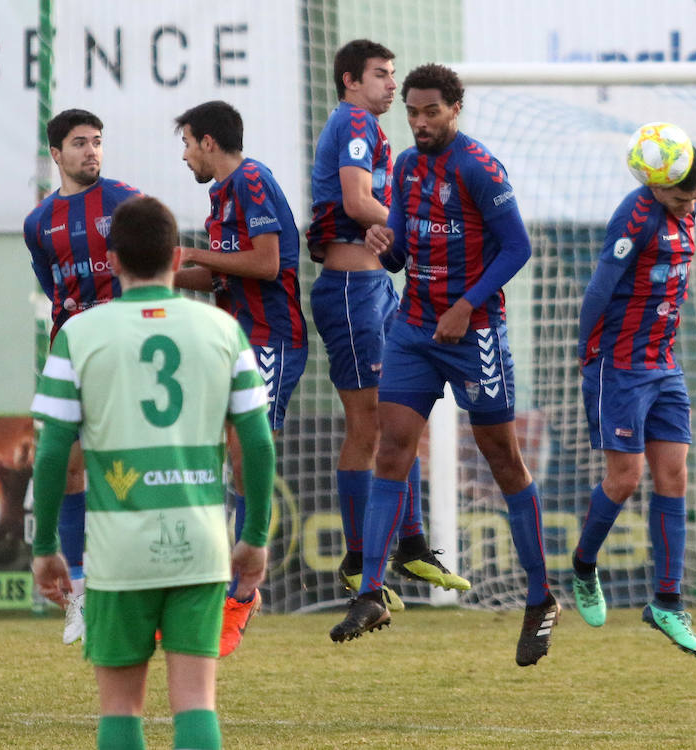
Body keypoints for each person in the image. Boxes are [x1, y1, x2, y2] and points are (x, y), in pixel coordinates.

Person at [30, 195, 274, 750]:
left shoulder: (80, 334)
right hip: (200, 544)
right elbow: (256, 443)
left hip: (118, 551)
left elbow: (51, 453)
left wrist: (46, 545)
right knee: (195, 703)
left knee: (120, 709)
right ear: (177, 256)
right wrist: (254, 536)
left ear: (111, 259)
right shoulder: (222, 329)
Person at [331, 63, 553, 667]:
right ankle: (372, 591)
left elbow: (518, 247)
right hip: (413, 330)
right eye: (413, 112)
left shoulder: (479, 168)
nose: (421, 122)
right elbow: (402, 250)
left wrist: (466, 305)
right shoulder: (405, 166)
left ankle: (540, 597)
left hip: (472, 331)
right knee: (392, 448)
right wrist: (387, 246)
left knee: (503, 458)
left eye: (432, 111)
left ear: (455, 108)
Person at [306, 39, 443, 610]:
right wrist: (418, 229)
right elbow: (359, 201)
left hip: (374, 288)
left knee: (398, 415)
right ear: (350, 80)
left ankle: (406, 541)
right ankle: (361, 558)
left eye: (392, 75)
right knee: (369, 427)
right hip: (350, 291)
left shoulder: (367, 125)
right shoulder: (355, 121)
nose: (392, 84)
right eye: (381, 75)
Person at [172, 100, 308, 656]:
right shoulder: (219, 195)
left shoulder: (252, 180)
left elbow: (267, 263)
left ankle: (243, 593)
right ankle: (220, 586)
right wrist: (161, 274)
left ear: (207, 142)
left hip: (272, 339)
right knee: (222, 454)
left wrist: (190, 252)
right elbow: (221, 276)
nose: (184, 156)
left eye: (186, 144)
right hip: (236, 341)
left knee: (244, 449)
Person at [568, 138, 696, 658]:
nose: (689, 208)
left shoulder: (683, 202)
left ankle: (667, 602)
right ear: (655, 186)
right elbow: (600, 288)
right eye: (680, 201)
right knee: (626, 479)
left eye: (695, 199)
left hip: (664, 365)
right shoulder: (636, 216)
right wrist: (587, 349)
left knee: (674, 475)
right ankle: (583, 565)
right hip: (620, 366)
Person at [23, 108, 142, 645]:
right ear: (56, 154)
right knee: (68, 466)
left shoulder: (125, 200)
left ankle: (141, 584)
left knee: (129, 461)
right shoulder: (38, 222)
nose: (91, 151)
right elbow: (54, 288)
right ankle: (81, 594)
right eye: (79, 143)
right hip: (71, 349)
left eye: (97, 141)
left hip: (127, 344)